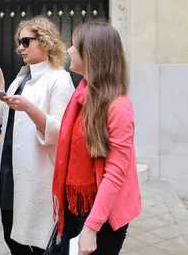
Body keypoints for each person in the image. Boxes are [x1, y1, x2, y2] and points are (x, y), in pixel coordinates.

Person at [0, 16, 74, 254]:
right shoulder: (23, 76)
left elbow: (63, 130)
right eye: (18, 42)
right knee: (11, 236)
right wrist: (1, 81)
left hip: (37, 175)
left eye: (25, 41)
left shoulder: (59, 78)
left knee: (34, 242)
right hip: (10, 171)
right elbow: (4, 116)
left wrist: (30, 108)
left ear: (44, 42)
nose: (20, 48)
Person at [52, 20, 141, 255]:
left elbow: (115, 174)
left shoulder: (119, 106)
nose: (69, 50)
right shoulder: (80, 95)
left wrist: (91, 228)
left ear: (90, 54)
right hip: (76, 205)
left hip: (102, 217)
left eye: (74, 45)